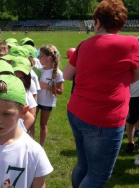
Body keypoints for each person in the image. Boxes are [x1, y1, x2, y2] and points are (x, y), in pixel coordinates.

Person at [63, 0, 139, 187]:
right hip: (105, 119)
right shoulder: (131, 43)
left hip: (76, 111)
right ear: (121, 23)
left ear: (97, 22)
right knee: (98, 175)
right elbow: (136, 76)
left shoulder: (83, 45)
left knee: (83, 164)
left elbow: (67, 75)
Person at [37, 45, 64, 147]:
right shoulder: (39, 70)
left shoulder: (57, 73)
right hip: (36, 101)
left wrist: (46, 87)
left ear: (48, 58)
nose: (39, 58)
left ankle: (41, 147)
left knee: (43, 125)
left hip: (47, 102)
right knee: (30, 123)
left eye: (41, 56)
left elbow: (60, 91)